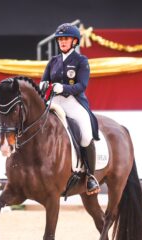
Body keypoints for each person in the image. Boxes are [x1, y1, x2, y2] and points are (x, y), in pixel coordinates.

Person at [39, 23, 100, 195]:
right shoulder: (53, 61)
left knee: (86, 134)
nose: (62, 42)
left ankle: (90, 176)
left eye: (66, 39)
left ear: (74, 41)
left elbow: (82, 85)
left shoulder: (81, 61)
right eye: (60, 39)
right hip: (53, 102)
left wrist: (64, 88)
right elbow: (44, 80)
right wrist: (43, 85)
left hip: (73, 102)